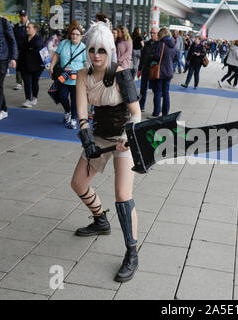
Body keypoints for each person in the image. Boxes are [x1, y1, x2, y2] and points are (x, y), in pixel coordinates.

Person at [71, 21, 141, 283]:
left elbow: (136, 113)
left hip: (124, 137)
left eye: (101, 50)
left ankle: (132, 253)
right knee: (78, 183)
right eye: (92, 50)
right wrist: (87, 138)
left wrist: (129, 138)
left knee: (123, 195)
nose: (96, 55)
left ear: (110, 50)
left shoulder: (122, 74)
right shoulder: (82, 75)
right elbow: (81, 112)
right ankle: (101, 220)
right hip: (99, 136)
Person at [50, 22, 87, 129]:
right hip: (64, 75)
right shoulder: (64, 43)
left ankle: (74, 120)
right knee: (62, 96)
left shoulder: (83, 47)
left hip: (77, 78)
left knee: (75, 99)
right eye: (73, 34)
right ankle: (67, 111)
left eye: (77, 34)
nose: (74, 36)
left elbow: (85, 62)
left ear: (81, 37)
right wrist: (52, 66)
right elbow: (56, 55)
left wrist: (89, 71)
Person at [149, 27, 176, 118]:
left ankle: (156, 113)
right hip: (169, 71)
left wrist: (152, 57)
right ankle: (165, 114)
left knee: (158, 92)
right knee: (166, 93)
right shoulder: (173, 44)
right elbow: (175, 57)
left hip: (160, 72)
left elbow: (156, 56)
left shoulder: (161, 44)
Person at [20, 23, 44, 108]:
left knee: (34, 82)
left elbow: (37, 46)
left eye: (29, 28)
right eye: (27, 27)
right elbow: (22, 50)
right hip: (25, 65)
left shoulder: (39, 39)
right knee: (27, 82)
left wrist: (29, 49)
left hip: (37, 65)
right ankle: (27, 99)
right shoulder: (24, 38)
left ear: (35, 29)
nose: (27, 29)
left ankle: (35, 97)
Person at [0, 16, 18, 121]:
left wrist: (13, 58)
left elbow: (12, 41)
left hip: (2, 59)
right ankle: (4, 109)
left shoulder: (3, 22)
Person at [138, 27, 158, 112]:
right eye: (151, 33)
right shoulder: (147, 43)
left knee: (155, 90)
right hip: (145, 68)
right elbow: (142, 57)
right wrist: (140, 68)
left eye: (154, 33)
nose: (152, 34)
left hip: (154, 70)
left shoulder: (160, 44)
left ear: (158, 34)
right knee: (143, 89)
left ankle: (157, 109)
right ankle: (141, 106)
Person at [13, 10, 28, 91]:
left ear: (27, 16)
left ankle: (28, 82)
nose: (22, 17)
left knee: (27, 66)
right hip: (19, 50)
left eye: (24, 16)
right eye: (21, 16)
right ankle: (19, 83)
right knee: (18, 66)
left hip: (28, 51)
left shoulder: (31, 26)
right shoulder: (16, 27)